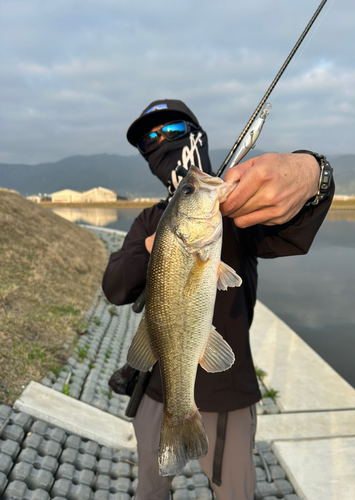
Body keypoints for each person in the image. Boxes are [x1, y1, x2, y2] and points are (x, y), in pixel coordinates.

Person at [102, 99, 334, 500]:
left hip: (228, 394)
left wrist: (315, 175)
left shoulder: (235, 211)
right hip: (158, 389)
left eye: (170, 131)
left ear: (194, 136)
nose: (158, 142)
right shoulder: (148, 219)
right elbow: (115, 285)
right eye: (147, 141)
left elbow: (292, 230)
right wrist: (157, 245)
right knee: (150, 492)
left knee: (234, 494)